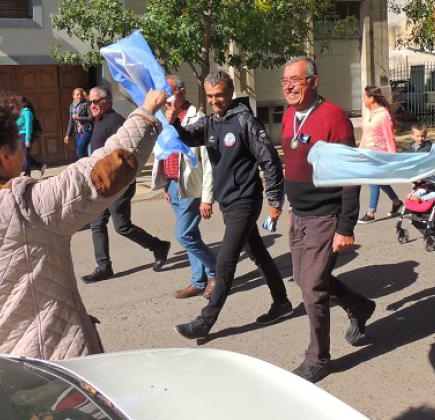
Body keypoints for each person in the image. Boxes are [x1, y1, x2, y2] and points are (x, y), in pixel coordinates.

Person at [0, 90, 167, 360]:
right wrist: (146, 112)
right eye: (19, 143)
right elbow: (106, 168)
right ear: (5, 157)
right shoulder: (21, 208)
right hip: (47, 372)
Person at [172, 70, 292, 339]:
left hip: (246, 200)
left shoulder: (244, 121)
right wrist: (173, 124)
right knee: (259, 254)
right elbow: (188, 138)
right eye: (211, 96)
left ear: (230, 92)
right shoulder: (212, 122)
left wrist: (274, 198)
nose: (215, 100)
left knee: (225, 262)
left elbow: (269, 159)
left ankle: (205, 321)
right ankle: (282, 302)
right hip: (228, 201)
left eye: (220, 95)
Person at [280, 56, 376, 383]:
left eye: (295, 79)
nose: (289, 85)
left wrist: (345, 226)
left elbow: (350, 173)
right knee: (304, 278)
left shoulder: (334, 116)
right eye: (285, 81)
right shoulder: (290, 114)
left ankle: (318, 359)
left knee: (311, 287)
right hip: (300, 214)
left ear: (314, 81)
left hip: (325, 215)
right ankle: (359, 305)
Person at [82, 86, 171, 283]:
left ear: (107, 101)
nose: (92, 106)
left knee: (122, 226)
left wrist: (125, 180)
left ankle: (158, 246)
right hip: (103, 183)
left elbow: (129, 151)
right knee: (97, 223)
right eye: (90, 102)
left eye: (96, 102)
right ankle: (104, 266)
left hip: (120, 183)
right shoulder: (99, 121)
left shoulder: (116, 122)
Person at [151, 75, 217, 299]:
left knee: (184, 234)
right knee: (192, 233)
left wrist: (207, 197)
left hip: (190, 186)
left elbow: (208, 161)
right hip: (172, 184)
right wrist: (164, 185)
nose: (165, 98)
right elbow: (163, 153)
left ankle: (217, 271)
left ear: (181, 92)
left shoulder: (195, 118)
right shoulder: (165, 117)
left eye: (168, 93)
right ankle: (198, 281)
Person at [357, 86, 403, 224]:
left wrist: (393, 158)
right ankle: (396, 201)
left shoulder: (383, 115)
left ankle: (371, 212)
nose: (363, 99)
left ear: (372, 98)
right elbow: (365, 135)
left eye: (365, 96)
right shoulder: (368, 113)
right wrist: (360, 151)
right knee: (380, 181)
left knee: (374, 181)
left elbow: (390, 138)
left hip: (380, 154)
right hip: (368, 153)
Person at [16, 96, 47, 178]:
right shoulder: (20, 112)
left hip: (26, 135)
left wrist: (27, 140)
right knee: (23, 155)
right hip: (20, 136)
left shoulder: (27, 112)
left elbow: (28, 126)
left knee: (24, 155)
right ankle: (40, 166)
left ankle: (27, 173)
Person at [63, 88, 94, 159]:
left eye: (80, 95)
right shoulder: (71, 107)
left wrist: (79, 118)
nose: (79, 96)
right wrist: (67, 135)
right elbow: (71, 121)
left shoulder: (86, 105)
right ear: (73, 96)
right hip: (78, 131)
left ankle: (82, 165)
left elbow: (91, 118)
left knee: (79, 151)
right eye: (77, 95)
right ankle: (86, 167)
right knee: (83, 151)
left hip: (87, 130)